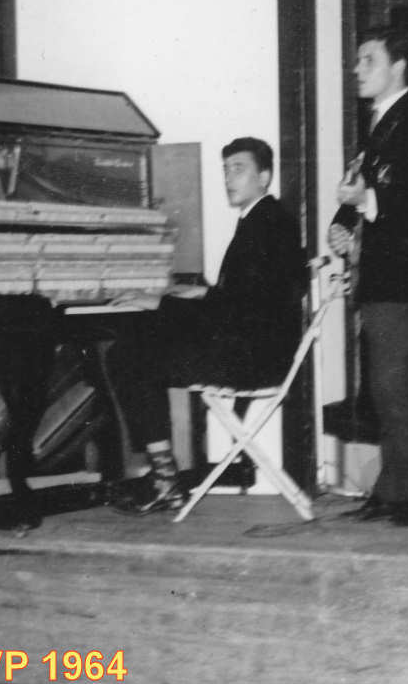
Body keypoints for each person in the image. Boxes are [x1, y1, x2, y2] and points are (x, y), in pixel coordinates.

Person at [112, 136, 305, 514]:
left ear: (264, 177)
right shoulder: (265, 218)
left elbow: (243, 307)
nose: (229, 178)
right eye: (225, 170)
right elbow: (246, 294)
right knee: (138, 345)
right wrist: (195, 292)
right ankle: (165, 478)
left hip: (252, 359)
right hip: (254, 348)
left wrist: (161, 301)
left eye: (239, 169)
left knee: (129, 355)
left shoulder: (267, 223)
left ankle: (165, 479)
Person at [330, 28, 408, 528]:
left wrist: (366, 202)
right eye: (357, 61)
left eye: (368, 60)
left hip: (402, 277)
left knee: (392, 386)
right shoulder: (381, 121)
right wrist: (342, 222)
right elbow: (364, 186)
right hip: (382, 276)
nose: (357, 69)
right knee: (385, 388)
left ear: (398, 67)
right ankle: (393, 487)